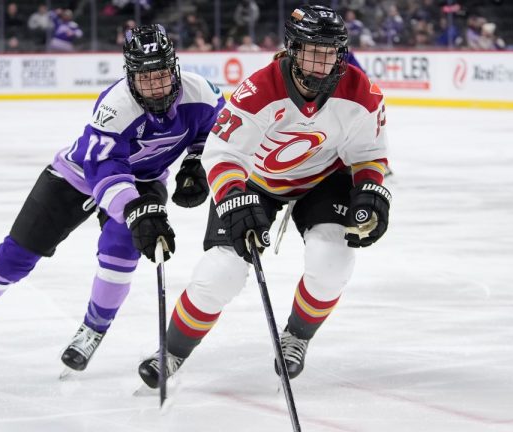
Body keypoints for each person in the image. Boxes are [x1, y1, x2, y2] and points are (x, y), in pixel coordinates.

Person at [0, 24, 226, 373]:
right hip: (77, 176)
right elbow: (104, 169)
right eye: (145, 77)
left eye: (161, 75)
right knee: (17, 254)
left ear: (175, 68)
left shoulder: (202, 93)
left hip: (146, 181)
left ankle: (92, 330)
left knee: (120, 254)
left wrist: (196, 162)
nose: (155, 86)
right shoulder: (116, 106)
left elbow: (215, 125)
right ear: (129, 75)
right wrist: (134, 208)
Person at [137, 5, 391, 387]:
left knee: (333, 258)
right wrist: (235, 201)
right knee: (220, 272)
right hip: (255, 182)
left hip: (322, 179)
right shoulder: (258, 91)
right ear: (292, 48)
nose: (321, 63)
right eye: (311, 51)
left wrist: (372, 191)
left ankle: (296, 337)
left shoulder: (361, 93)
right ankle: (171, 350)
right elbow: (223, 155)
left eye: (329, 52)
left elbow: (368, 155)